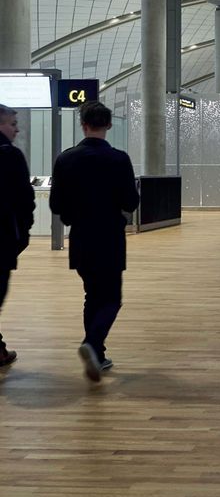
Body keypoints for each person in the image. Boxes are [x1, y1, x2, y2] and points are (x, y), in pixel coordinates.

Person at [50, 101, 139, 382]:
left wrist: (71, 217)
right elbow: (131, 201)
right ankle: (92, 344)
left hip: (81, 236)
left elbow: (56, 204)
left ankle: (98, 354)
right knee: (112, 298)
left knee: (92, 295)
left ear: (82, 124)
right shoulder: (119, 159)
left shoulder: (65, 159)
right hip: (110, 236)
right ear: (109, 125)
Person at [0, 104, 35, 367]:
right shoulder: (9, 155)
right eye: (12, 123)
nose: (17, 128)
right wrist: (23, 234)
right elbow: (25, 199)